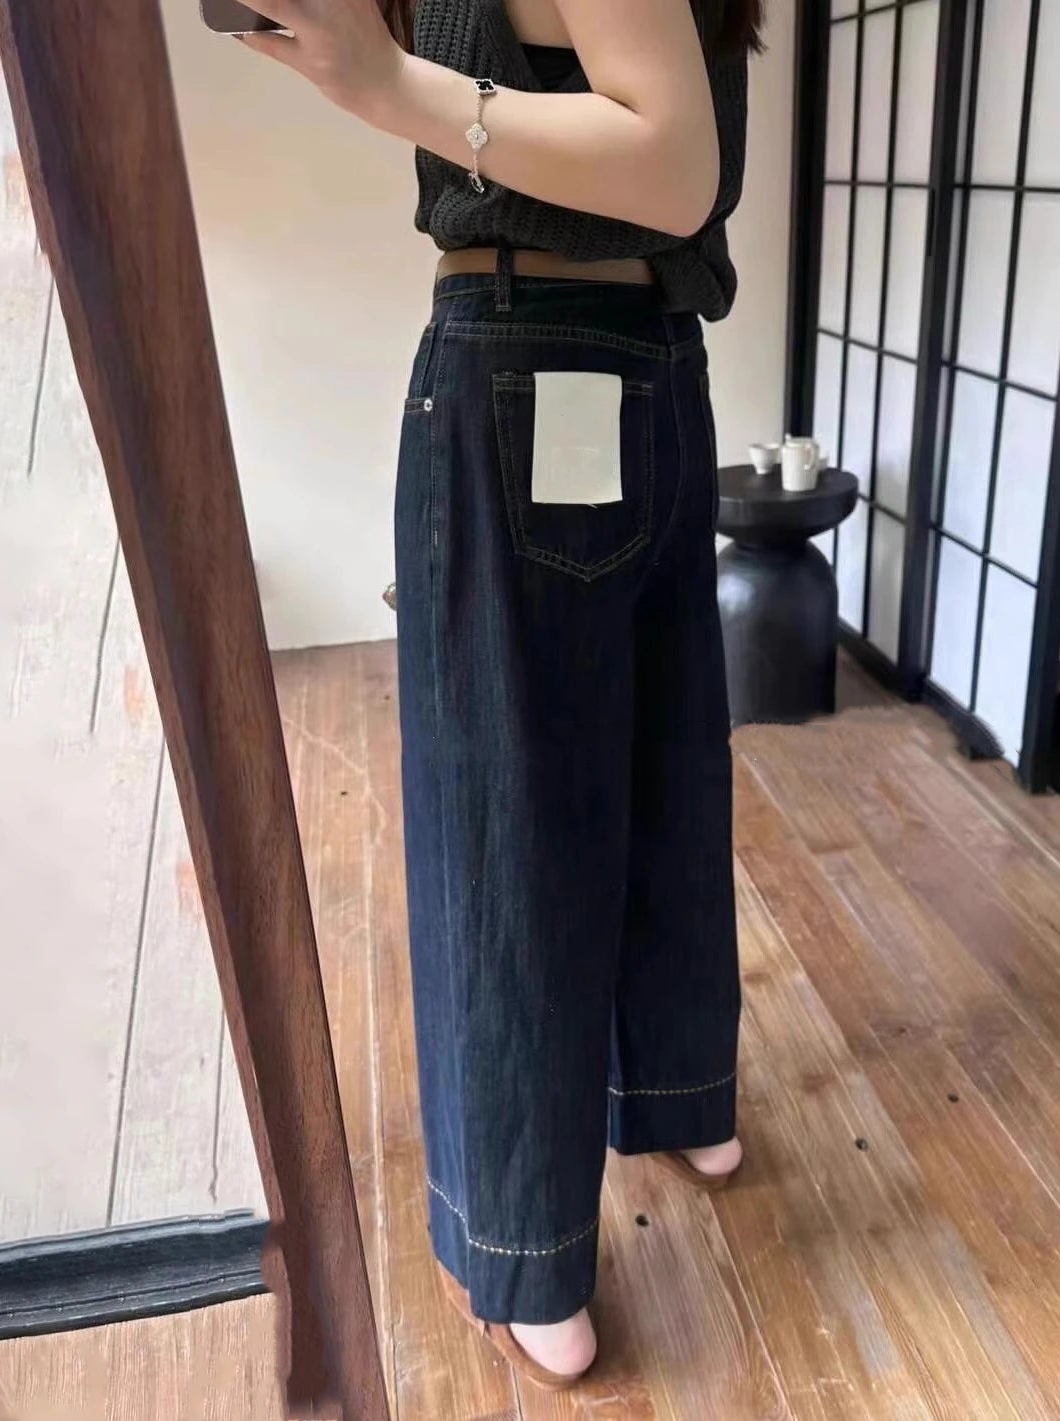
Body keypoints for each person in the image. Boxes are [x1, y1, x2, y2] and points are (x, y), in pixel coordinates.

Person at [239, 0, 756, 1388]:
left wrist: (386, 81)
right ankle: (680, 1094)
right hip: (657, 359)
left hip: (526, 346)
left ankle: (527, 1245)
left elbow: (670, 163)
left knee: (505, 817)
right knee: (662, 757)